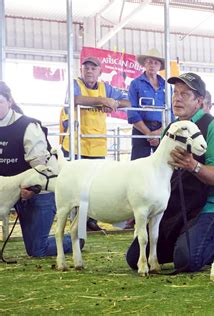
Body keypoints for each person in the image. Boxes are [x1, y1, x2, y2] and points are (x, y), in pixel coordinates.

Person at [126, 72, 214, 272]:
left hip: (207, 205)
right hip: (176, 203)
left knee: (187, 260)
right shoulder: (171, 128)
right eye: (176, 93)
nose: (177, 98)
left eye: (185, 94)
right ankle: (185, 242)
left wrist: (192, 165)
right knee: (134, 258)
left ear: (199, 101)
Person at [0, 81, 75, 257]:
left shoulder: (27, 126)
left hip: (37, 190)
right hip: (8, 191)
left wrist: (34, 189)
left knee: (37, 249)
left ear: (9, 101)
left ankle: (73, 239)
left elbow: (42, 169)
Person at [61, 56, 130, 231]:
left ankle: (91, 220)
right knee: (75, 183)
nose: (90, 71)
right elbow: (74, 100)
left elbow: (129, 101)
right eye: (86, 68)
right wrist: (101, 100)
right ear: (81, 70)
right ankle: (74, 219)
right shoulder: (75, 84)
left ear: (100, 71)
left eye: (93, 68)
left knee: (94, 184)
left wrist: (114, 103)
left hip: (97, 143)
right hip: (77, 143)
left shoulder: (105, 88)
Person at [127, 48, 171, 160]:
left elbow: (171, 111)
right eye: (149, 62)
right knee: (138, 165)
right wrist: (149, 134)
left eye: (156, 63)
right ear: (145, 64)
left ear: (160, 66)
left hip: (161, 128)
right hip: (141, 129)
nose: (152, 65)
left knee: (163, 163)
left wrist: (160, 132)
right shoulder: (135, 84)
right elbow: (132, 111)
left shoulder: (167, 86)